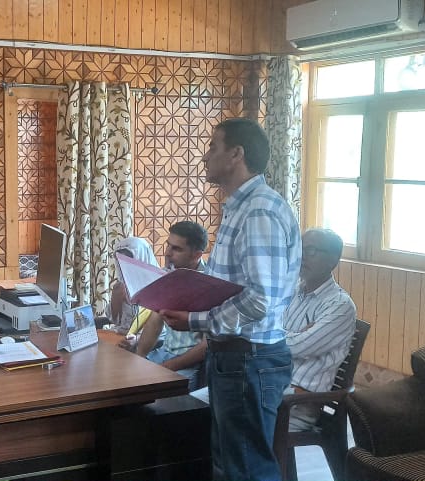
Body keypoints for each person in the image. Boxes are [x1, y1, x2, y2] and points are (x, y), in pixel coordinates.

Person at [163, 118, 301, 481]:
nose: (205, 156)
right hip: (234, 356)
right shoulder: (240, 207)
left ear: (236, 154)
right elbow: (230, 286)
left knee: (247, 469)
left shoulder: (259, 211)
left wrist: (195, 320)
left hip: (249, 358)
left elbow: (260, 299)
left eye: (213, 146)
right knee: (230, 464)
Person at [284, 228, 356, 431]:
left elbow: (299, 347)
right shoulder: (294, 291)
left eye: (312, 250)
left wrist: (285, 337)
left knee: (222, 412)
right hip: (271, 386)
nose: (302, 256)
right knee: (207, 402)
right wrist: (297, 335)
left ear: (333, 260)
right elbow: (265, 328)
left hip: (295, 403)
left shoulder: (339, 305)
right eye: (300, 248)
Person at [126, 221, 209, 390]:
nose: (167, 253)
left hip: (189, 364)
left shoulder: (210, 285)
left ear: (197, 255)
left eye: (176, 249)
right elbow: (156, 319)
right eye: (168, 245)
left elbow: (207, 346)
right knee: (124, 381)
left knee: (152, 396)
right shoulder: (171, 274)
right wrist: (139, 359)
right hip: (163, 354)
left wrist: (166, 368)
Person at [108, 236, 159, 334]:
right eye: (121, 261)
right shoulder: (121, 285)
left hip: (149, 339)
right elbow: (114, 320)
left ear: (141, 257)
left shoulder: (159, 284)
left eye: (129, 260)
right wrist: (116, 299)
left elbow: (156, 325)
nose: (125, 265)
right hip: (123, 335)